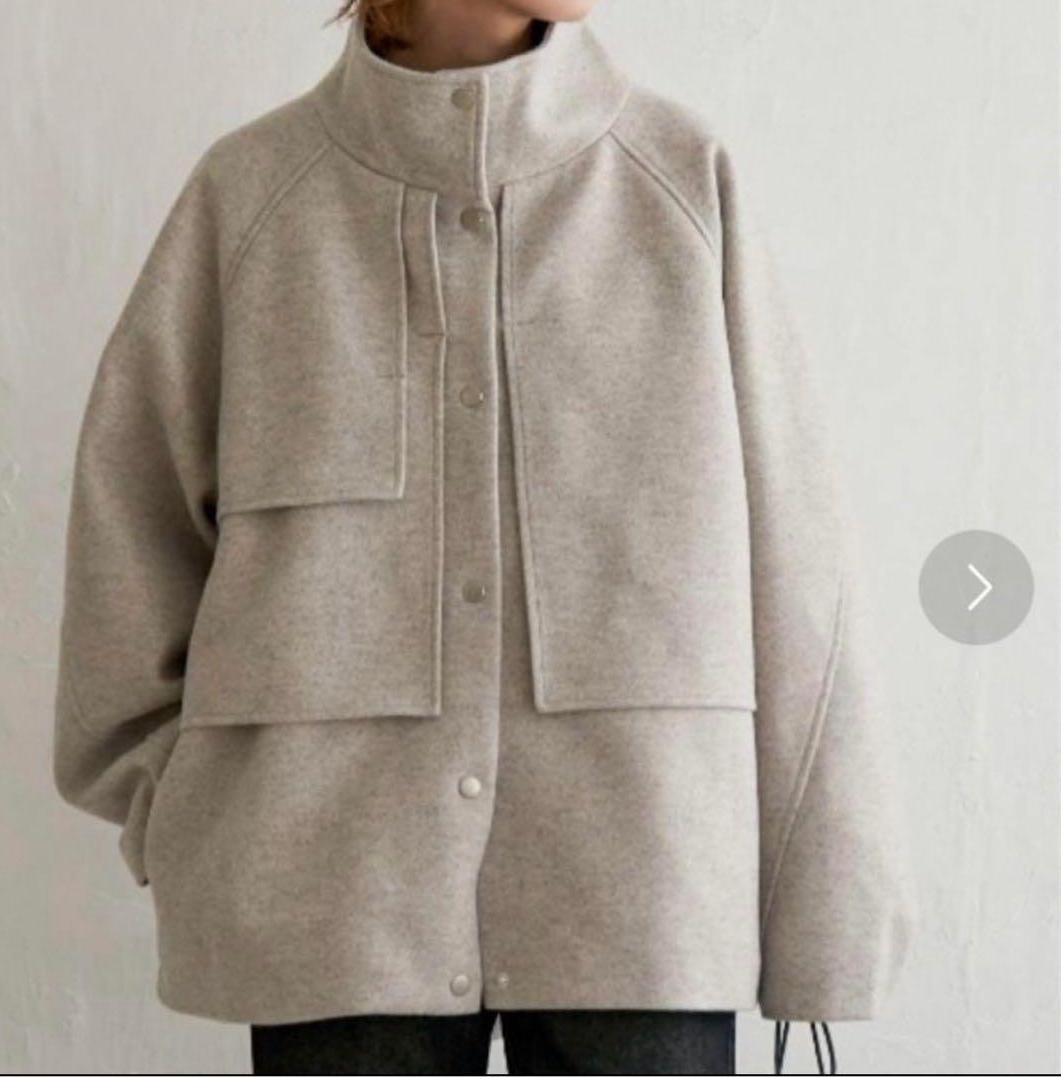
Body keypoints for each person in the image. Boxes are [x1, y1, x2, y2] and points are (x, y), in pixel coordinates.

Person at [52, 1, 915, 1073]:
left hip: (643, 893)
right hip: (331, 905)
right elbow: (125, 547)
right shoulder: (250, 200)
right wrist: (185, 814)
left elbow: (800, 572)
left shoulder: (681, 181)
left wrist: (827, 911)